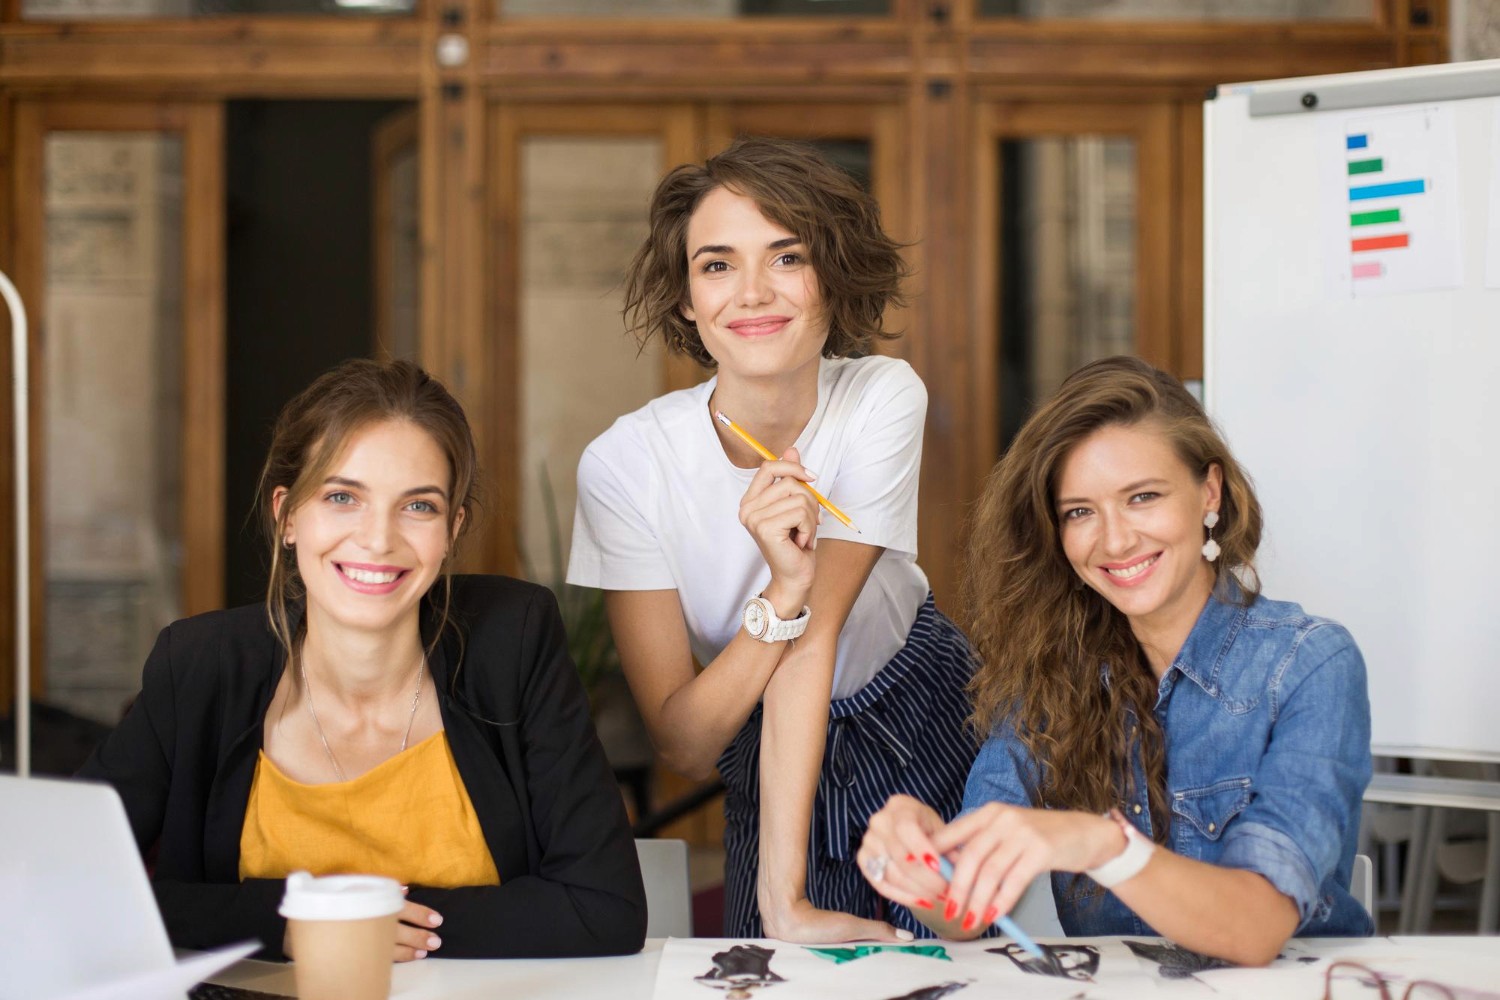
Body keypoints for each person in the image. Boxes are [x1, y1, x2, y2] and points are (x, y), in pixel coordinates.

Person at [80, 359, 646, 961]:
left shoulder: (513, 641)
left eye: (418, 506)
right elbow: (69, 884)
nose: (378, 539)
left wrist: (367, 924)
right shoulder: (199, 665)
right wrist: (292, 923)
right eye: (343, 496)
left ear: (452, 528)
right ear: (287, 515)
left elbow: (602, 908)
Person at [568, 137, 977, 941]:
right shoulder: (625, 465)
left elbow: (817, 638)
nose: (751, 292)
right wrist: (780, 593)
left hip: (919, 705)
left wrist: (785, 906)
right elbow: (685, 742)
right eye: (716, 265)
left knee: (954, 961)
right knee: (780, 969)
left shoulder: (881, 397)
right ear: (685, 297)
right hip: (762, 733)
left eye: (786, 257)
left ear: (832, 277)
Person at [857, 356, 1373, 964]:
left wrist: (1103, 846)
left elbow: (1256, 930)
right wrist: (920, 866)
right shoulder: (1049, 677)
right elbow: (965, 917)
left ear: (1210, 492)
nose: (1116, 539)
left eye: (1142, 497)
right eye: (1080, 511)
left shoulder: (1310, 665)